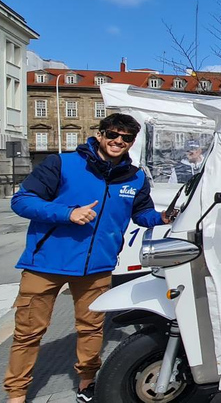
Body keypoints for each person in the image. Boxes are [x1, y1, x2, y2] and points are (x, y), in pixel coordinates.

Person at [4, 114, 174, 403]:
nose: (118, 141)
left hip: (98, 266)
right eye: (113, 134)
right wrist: (67, 213)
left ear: (131, 142)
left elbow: (140, 214)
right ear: (100, 134)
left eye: (126, 138)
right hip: (45, 264)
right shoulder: (63, 164)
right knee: (28, 333)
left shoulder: (135, 177)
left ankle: (86, 382)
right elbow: (22, 200)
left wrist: (161, 217)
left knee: (92, 328)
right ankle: (17, 393)